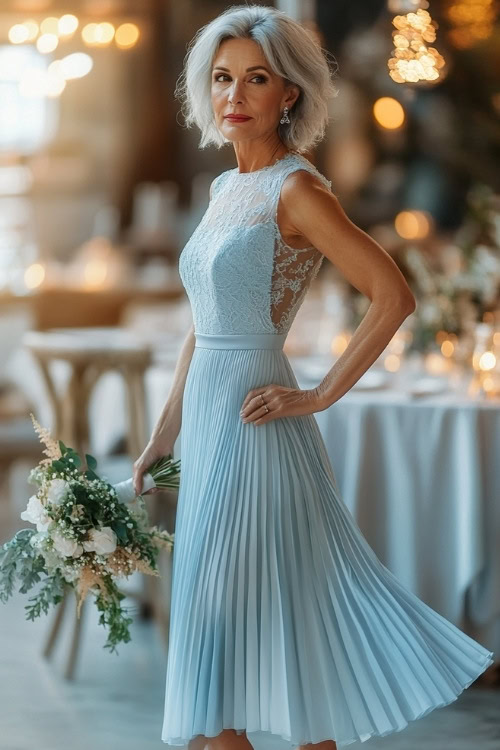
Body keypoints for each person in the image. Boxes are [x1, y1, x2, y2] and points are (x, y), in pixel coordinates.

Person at [133, 6, 494, 750]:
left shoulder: (297, 191)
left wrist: (320, 394)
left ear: (288, 94)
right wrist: (162, 434)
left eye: (256, 79)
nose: (235, 94)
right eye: (223, 77)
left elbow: (394, 296)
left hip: (260, 420)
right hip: (207, 423)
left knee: (242, 627)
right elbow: (204, 325)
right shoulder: (220, 189)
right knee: (231, 636)